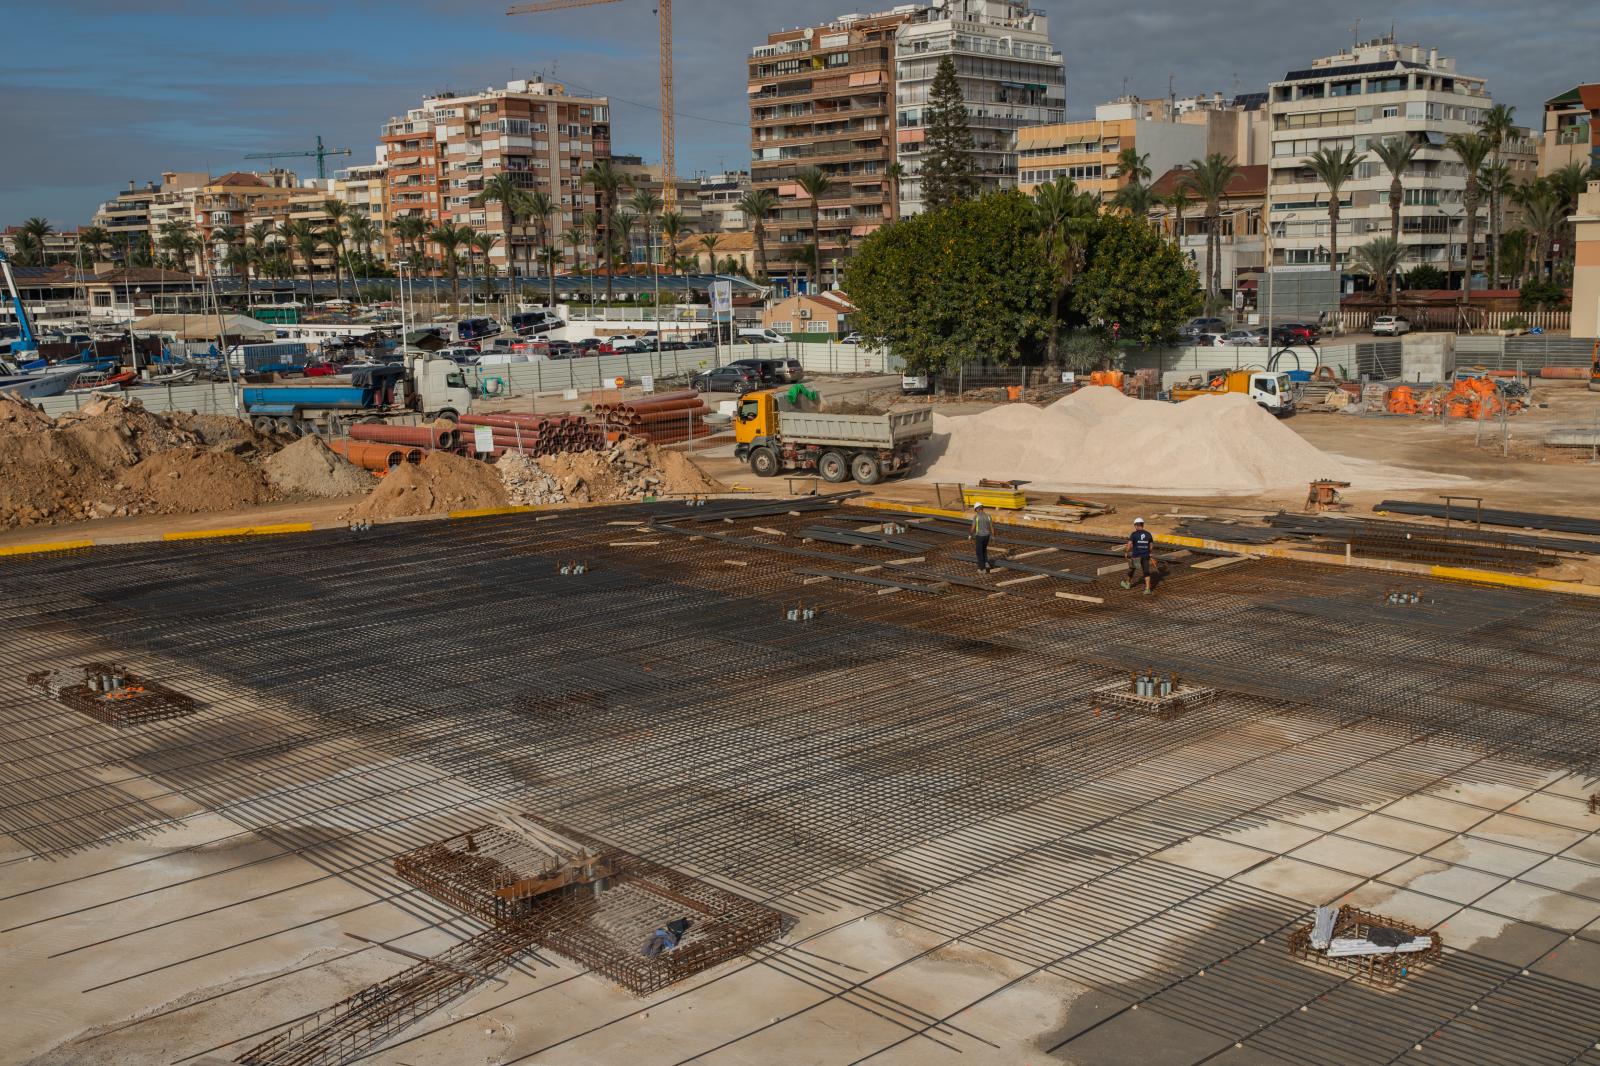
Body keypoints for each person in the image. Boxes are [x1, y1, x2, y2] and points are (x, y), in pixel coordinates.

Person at [1122, 517, 1156, 595]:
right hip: (1145, 556)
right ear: (1142, 524)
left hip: (1136, 556)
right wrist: (1149, 552)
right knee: (1146, 572)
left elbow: (1129, 544)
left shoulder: (1134, 534)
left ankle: (1127, 584)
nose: (1135, 527)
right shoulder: (1148, 534)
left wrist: (1126, 552)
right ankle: (1147, 589)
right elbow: (1151, 545)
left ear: (1137, 525)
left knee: (1132, 570)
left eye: (1135, 525)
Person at [970, 502, 994, 573]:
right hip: (987, 536)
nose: (975, 511)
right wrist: (993, 536)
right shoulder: (988, 516)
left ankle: (982, 568)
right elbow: (992, 527)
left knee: (979, 552)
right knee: (984, 549)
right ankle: (986, 563)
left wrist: (970, 535)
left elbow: (973, 527)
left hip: (980, 536)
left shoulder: (976, 517)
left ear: (977, 509)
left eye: (975, 509)